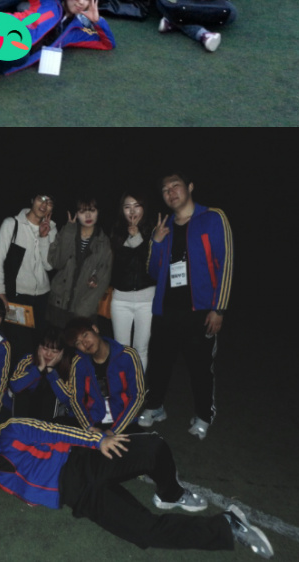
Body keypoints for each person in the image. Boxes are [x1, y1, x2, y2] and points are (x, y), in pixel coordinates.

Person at [0, 410, 271, 551]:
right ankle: (227, 526)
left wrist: (97, 440)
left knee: (153, 448)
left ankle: (171, 493)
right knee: (145, 533)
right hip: (77, 497)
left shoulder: (12, 429)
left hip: (79, 464)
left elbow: (54, 430)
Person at [139, 171, 233, 432]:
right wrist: (157, 242)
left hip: (200, 310)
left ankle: (203, 415)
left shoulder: (213, 217)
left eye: (175, 185)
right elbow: (153, 271)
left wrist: (219, 308)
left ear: (190, 186)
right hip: (166, 309)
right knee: (159, 364)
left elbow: (226, 264)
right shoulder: (163, 226)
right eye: (165, 189)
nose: (170, 192)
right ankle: (155, 406)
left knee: (200, 368)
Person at [0, 193, 56, 340]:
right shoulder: (11, 224)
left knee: (40, 341)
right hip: (17, 296)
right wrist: (0, 292)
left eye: (49, 202)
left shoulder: (52, 228)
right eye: (41, 199)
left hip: (43, 297)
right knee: (18, 341)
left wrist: (44, 238)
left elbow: (48, 266)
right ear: (32, 200)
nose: (44, 205)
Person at [65, 314, 144, 428]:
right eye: (78, 343)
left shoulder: (128, 355)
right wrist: (89, 427)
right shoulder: (79, 363)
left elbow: (138, 396)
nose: (85, 343)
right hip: (93, 421)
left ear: (95, 329)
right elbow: (75, 399)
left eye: (85, 335)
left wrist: (114, 430)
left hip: (123, 420)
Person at [45, 200, 112, 327]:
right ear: (76, 213)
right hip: (58, 303)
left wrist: (83, 311)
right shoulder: (68, 231)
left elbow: (103, 279)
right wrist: (69, 232)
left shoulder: (103, 242)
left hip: (84, 307)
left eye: (92, 210)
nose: (88, 215)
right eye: (82, 211)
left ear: (98, 212)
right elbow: (57, 263)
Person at [109, 195, 156, 365]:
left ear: (144, 208)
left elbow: (150, 264)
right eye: (127, 206)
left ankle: (138, 382)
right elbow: (118, 265)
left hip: (147, 300)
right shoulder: (116, 231)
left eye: (137, 206)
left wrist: (137, 237)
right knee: (121, 349)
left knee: (141, 349)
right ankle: (122, 382)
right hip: (120, 300)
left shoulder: (154, 231)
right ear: (122, 210)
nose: (132, 211)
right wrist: (131, 237)